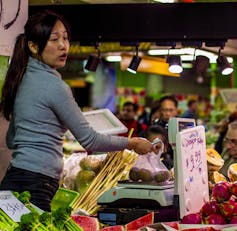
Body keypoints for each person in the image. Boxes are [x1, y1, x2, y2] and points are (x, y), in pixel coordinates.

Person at [0, 10, 155, 212]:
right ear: (33, 46)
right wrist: (131, 143)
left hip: (14, 178)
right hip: (37, 184)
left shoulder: (21, 78)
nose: (64, 46)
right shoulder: (54, 86)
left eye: (65, 38)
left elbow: (12, 140)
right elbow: (90, 140)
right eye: (54, 39)